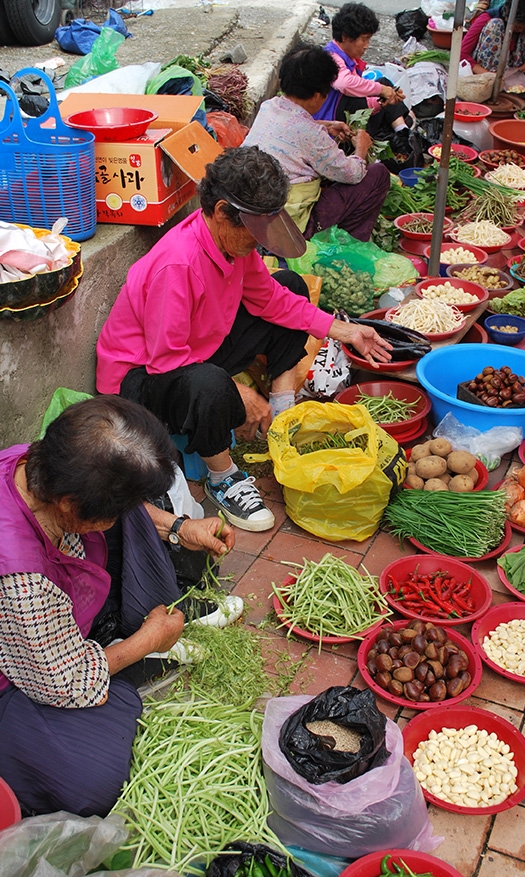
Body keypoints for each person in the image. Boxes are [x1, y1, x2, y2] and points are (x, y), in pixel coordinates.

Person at [96, 146, 393, 532]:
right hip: (139, 382)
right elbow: (166, 359)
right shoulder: (178, 264)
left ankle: (282, 411)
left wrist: (345, 329)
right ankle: (223, 478)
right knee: (211, 383)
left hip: (198, 346)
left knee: (290, 285)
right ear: (222, 213)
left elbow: (269, 298)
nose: (259, 240)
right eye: (253, 229)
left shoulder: (231, 246)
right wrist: (240, 392)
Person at [0, 395, 236, 817]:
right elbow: (63, 681)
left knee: (133, 511)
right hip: (21, 672)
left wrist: (180, 528)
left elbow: (125, 505)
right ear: (71, 507)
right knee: (91, 781)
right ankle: (134, 644)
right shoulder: (22, 583)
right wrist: (147, 642)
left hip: (50, 608)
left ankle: (124, 632)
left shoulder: (34, 464)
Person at [243, 43, 390, 240]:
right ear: (317, 96)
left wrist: (325, 125)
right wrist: (361, 148)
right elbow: (353, 174)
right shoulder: (312, 135)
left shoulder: (269, 106)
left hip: (250, 206)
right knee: (378, 174)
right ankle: (348, 242)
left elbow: (290, 127)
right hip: (288, 223)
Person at [314, 3, 410, 137]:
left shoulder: (349, 59)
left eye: (368, 40)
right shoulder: (331, 57)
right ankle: (401, 129)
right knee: (372, 89)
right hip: (331, 127)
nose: (366, 46)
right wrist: (381, 90)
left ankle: (403, 131)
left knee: (383, 84)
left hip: (346, 117)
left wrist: (383, 102)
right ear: (345, 37)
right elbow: (345, 84)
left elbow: (364, 100)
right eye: (364, 40)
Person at [461, 0, 525, 75]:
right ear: (507, 17)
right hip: (488, 71)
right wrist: (486, 74)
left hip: (515, 69)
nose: (520, 31)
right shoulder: (486, 18)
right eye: (517, 27)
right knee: (496, 24)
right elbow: (461, 54)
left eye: (524, 28)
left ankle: (521, 76)